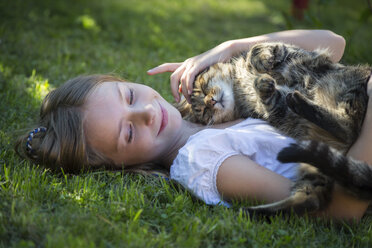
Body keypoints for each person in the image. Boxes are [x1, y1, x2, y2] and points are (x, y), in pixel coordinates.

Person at [16, 30, 372, 221]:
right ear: (124, 165)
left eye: (128, 96)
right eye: (128, 133)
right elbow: (339, 210)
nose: (146, 113)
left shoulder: (209, 103)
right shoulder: (203, 157)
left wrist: (229, 48)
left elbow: (332, 43)